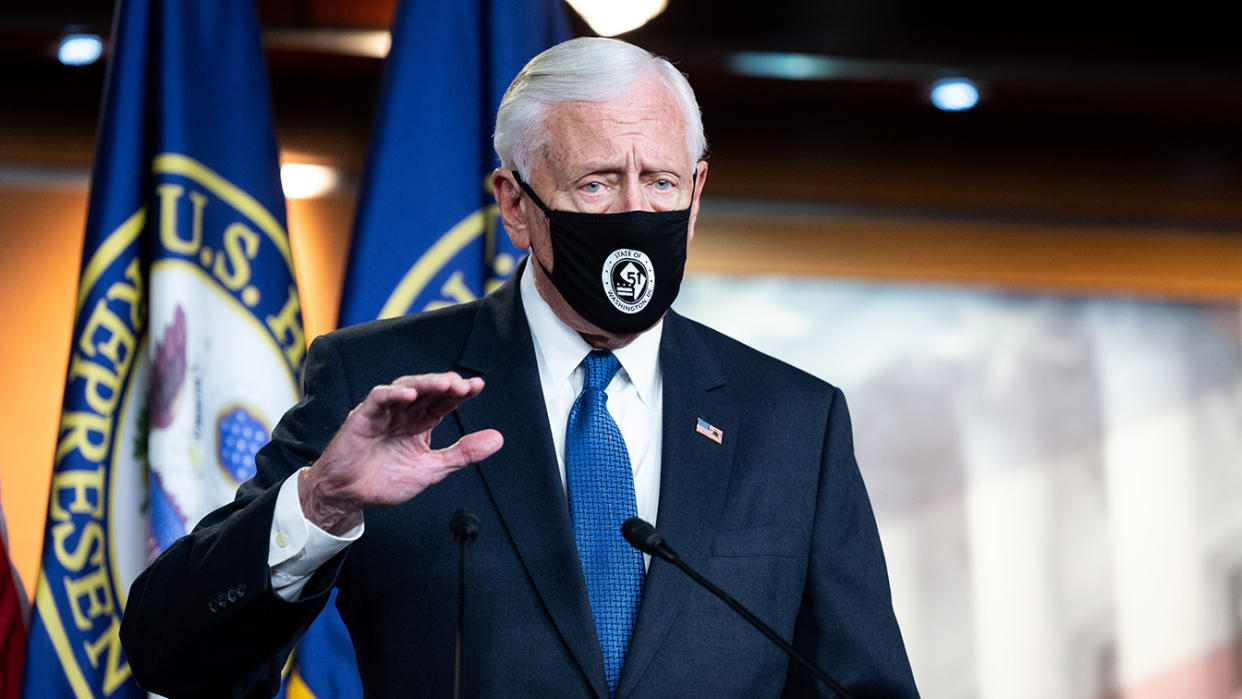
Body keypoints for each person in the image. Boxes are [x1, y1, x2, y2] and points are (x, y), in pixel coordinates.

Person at [120, 37, 919, 698]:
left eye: (661, 181)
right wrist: (321, 504)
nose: (634, 212)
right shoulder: (378, 384)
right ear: (514, 202)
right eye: (597, 182)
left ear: (698, 192)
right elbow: (170, 651)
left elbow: (862, 685)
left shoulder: (791, 421)